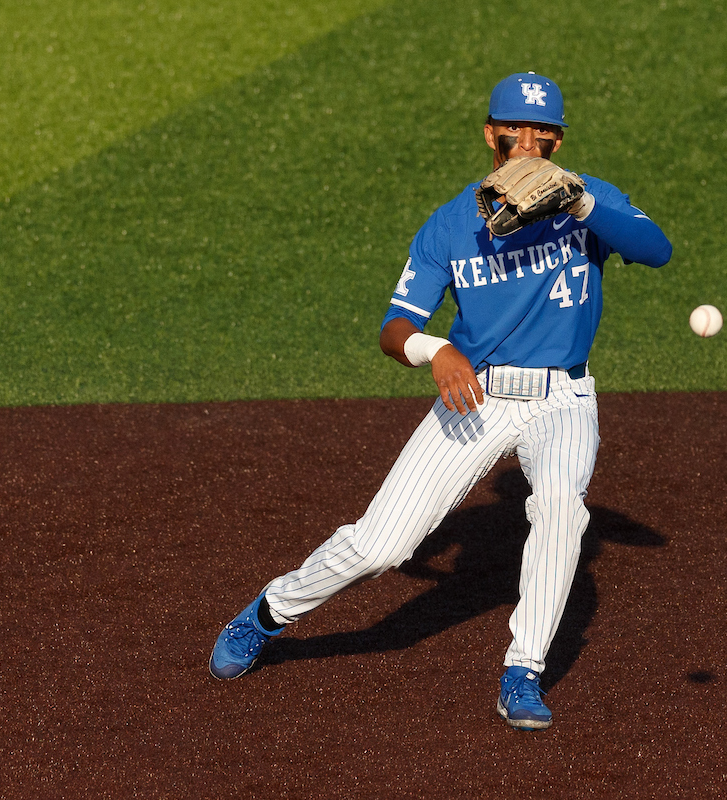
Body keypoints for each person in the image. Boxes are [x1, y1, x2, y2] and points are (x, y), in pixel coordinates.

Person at [209, 72, 672, 731]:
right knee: (379, 546)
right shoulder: (450, 226)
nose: (529, 143)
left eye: (544, 132)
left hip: (563, 399)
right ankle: (267, 614)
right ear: (490, 134)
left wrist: (582, 206)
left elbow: (657, 251)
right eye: (515, 129)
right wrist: (436, 351)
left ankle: (523, 671)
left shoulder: (587, 201)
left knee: (562, 510)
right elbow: (394, 328)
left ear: (559, 141)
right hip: (475, 393)